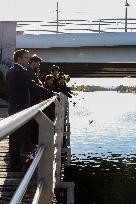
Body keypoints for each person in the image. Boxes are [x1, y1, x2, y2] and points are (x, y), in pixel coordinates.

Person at [6, 49, 55, 171]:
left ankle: (15, 162)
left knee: (15, 137)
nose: (28, 60)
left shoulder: (11, 71)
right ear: (19, 59)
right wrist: (51, 93)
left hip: (13, 106)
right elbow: (32, 87)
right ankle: (15, 164)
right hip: (20, 108)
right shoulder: (20, 71)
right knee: (17, 137)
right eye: (26, 58)